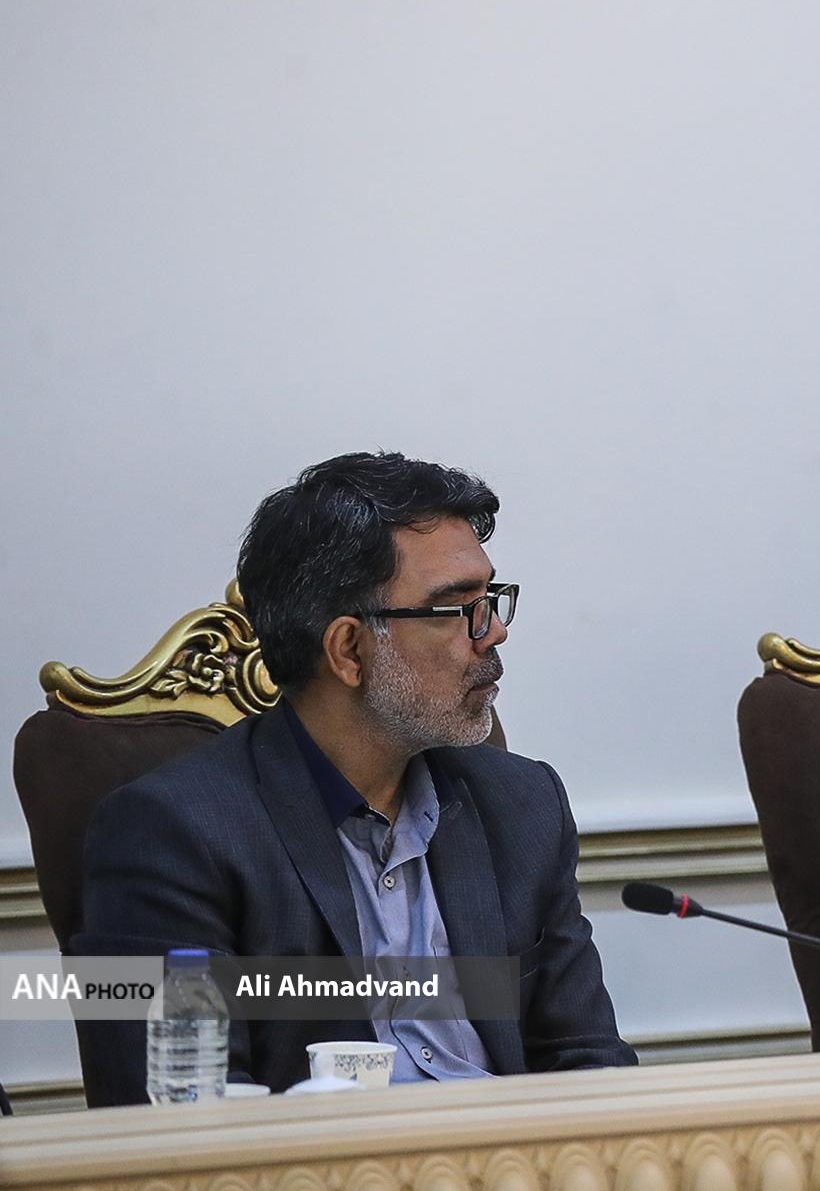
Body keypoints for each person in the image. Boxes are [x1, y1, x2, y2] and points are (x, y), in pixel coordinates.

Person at [74, 453, 635, 1104]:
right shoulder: (171, 833)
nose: (495, 632)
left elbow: (590, 1061)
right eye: (457, 608)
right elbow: (178, 1116)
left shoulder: (523, 804)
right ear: (348, 650)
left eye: (491, 599)